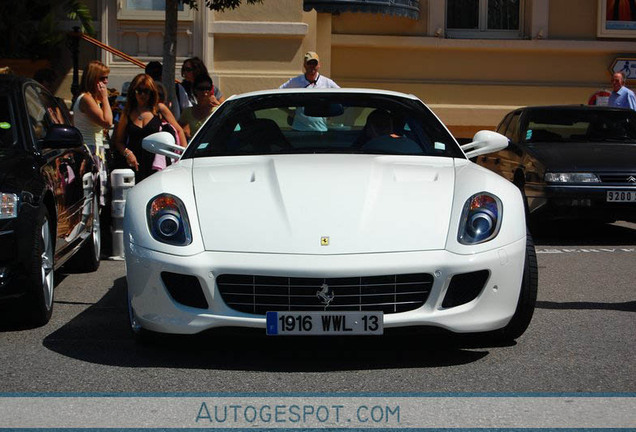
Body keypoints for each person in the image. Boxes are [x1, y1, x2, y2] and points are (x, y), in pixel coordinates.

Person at [113, 74, 186, 183]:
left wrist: (184, 155)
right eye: (139, 91)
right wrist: (128, 153)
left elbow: (179, 130)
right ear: (133, 92)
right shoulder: (127, 113)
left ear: (152, 93)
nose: (142, 95)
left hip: (157, 162)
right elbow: (119, 141)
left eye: (146, 91)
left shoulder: (159, 109)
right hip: (135, 163)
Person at [71, 60, 113, 204]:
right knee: (92, 197)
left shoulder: (93, 99)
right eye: (102, 78)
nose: (105, 82)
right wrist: (106, 98)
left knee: (98, 195)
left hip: (96, 149)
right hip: (90, 150)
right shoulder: (86, 99)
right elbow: (107, 121)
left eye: (107, 78)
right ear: (92, 78)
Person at [279, 51, 340, 131]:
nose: (312, 66)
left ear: (319, 65)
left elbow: (343, 98)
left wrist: (331, 114)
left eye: (314, 63)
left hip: (320, 130)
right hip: (298, 130)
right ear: (304, 65)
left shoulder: (327, 83)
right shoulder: (296, 81)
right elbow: (278, 94)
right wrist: (289, 111)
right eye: (309, 63)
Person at [178, 74, 220, 140]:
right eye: (201, 89)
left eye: (207, 88)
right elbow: (178, 128)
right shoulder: (188, 111)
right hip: (194, 148)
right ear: (195, 90)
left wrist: (218, 104)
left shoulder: (217, 111)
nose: (205, 93)